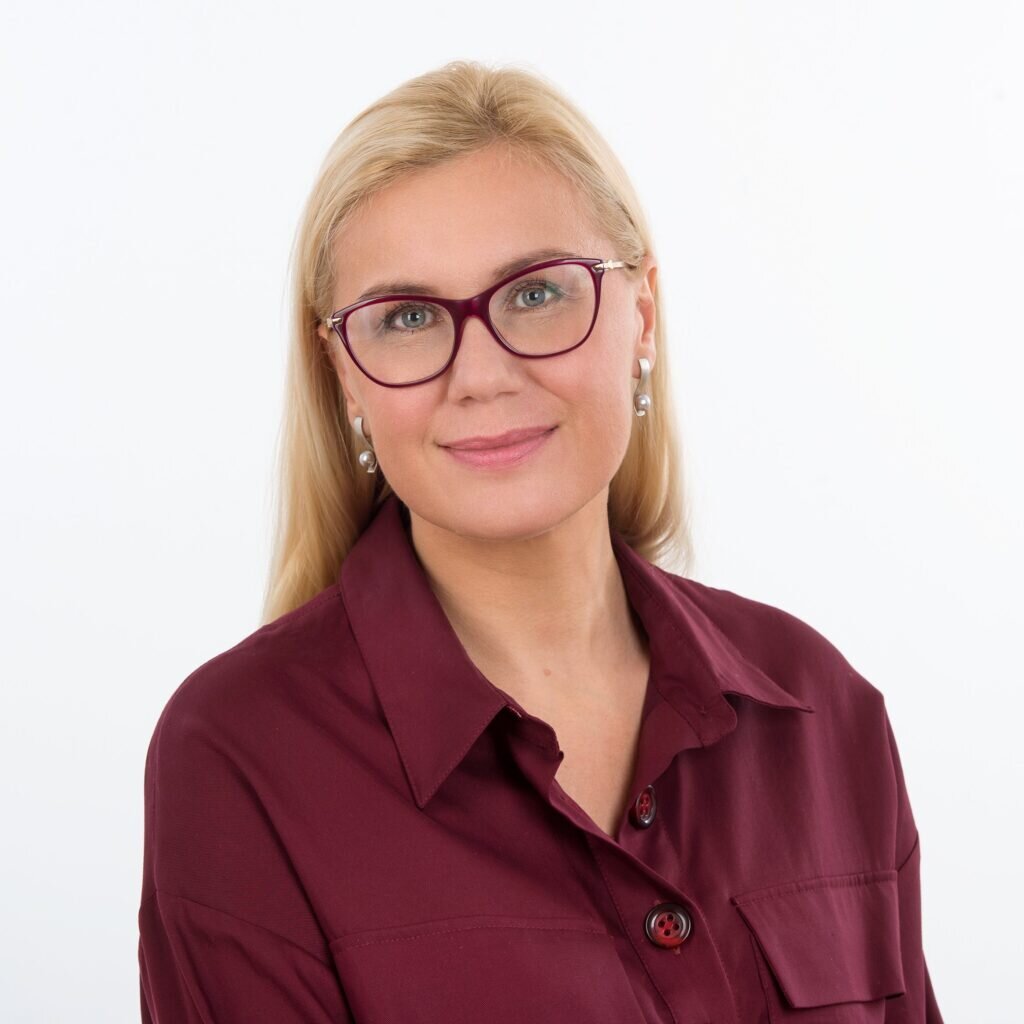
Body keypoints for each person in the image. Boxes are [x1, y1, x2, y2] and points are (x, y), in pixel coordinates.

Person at [137, 60, 943, 1023]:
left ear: (641, 316)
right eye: (406, 317)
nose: (481, 375)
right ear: (344, 374)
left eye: (534, 295)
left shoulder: (821, 711)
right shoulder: (241, 758)